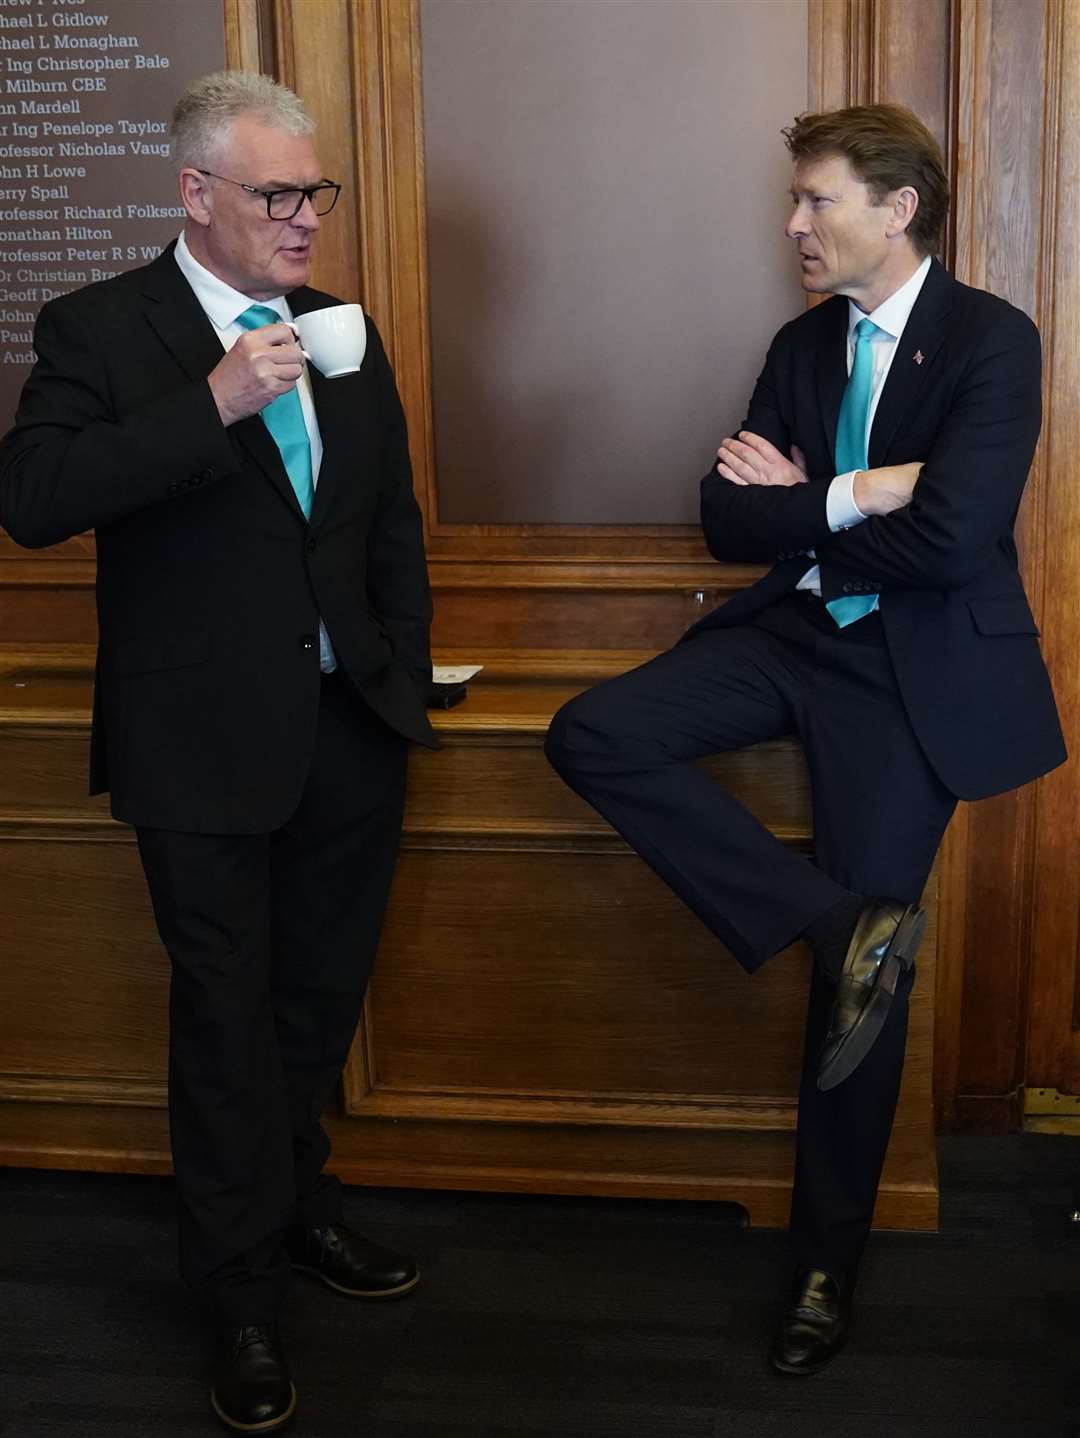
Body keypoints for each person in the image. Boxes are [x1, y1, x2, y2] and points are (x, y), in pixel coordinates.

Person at [545, 103, 1064, 1375]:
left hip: (910, 673)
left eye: (817, 200)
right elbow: (727, 518)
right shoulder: (801, 345)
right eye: (796, 201)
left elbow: (951, 540)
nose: (793, 224)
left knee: (857, 1010)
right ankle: (837, 924)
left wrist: (812, 504)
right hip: (791, 638)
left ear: (897, 210)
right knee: (593, 731)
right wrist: (858, 493)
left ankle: (828, 1261)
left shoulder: (992, 341)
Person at [0, 71, 436, 1432]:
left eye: (318, 194)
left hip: (350, 729)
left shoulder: (342, 330)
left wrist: (401, 678)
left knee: (314, 1003)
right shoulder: (99, 329)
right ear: (197, 195)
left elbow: (389, 527)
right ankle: (239, 1288)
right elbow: (34, 501)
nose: (308, 220)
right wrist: (214, 403)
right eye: (278, 196)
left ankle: (297, 1204)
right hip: (197, 743)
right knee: (226, 1017)